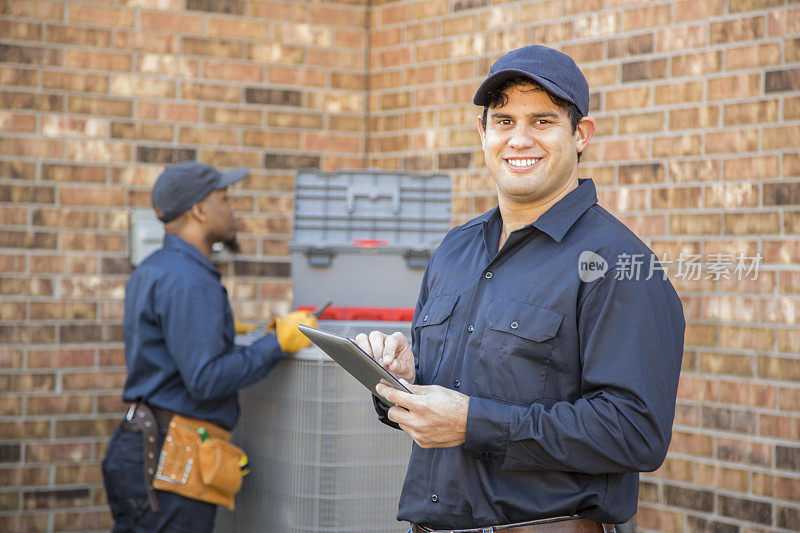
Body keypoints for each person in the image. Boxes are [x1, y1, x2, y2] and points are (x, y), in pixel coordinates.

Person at [355, 45, 685, 533]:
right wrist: (403, 380)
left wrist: (472, 424)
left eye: (543, 121)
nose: (520, 139)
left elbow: (635, 432)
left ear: (580, 136)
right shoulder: (454, 251)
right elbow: (459, 390)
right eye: (504, 120)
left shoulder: (615, 263)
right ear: (483, 134)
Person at [102, 161, 317, 532]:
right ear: (199, 210)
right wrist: (277, 342)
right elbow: (206, 379)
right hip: (170, 462)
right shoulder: (190, 279)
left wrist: (221, 332)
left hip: (146, 450)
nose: (232, 209)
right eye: (224, 198)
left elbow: (168, 345)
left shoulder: (156, 267)